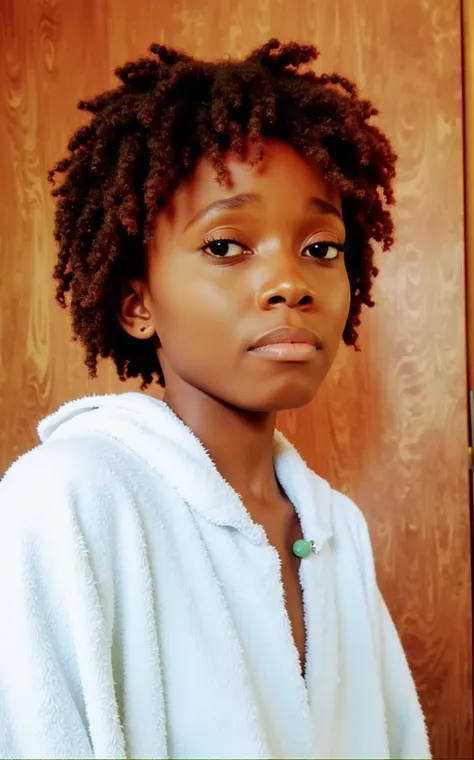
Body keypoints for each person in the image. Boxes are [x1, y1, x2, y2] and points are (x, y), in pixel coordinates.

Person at [0, 39, 430, 759]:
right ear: (137, 304)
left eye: (321, 249)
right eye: (227, 245)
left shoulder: (335, 527)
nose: (291, 283)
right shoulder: (65, 497)